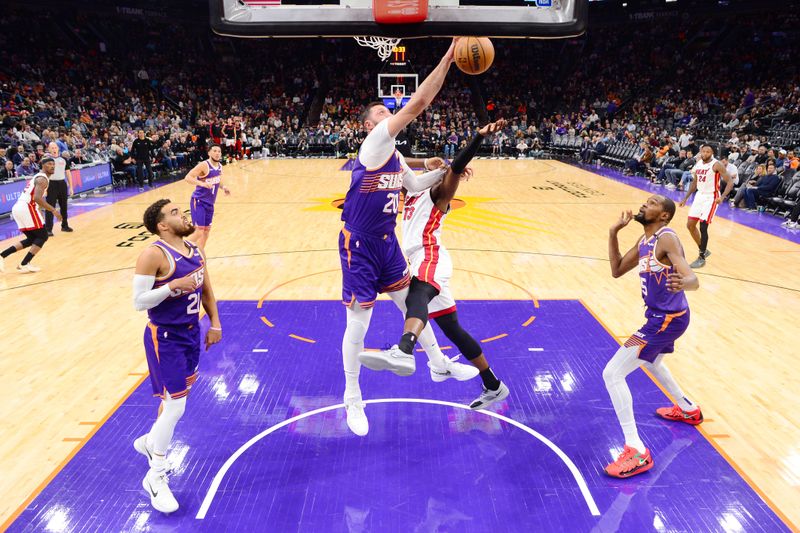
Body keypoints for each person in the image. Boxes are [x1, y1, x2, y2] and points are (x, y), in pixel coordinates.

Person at [339, 38, 474, 437]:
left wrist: (448, 171)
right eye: (382, 112)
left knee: (411, 302)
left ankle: (437, 363)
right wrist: (448, 58)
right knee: (359, 322)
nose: (389, 113)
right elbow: (416, 105)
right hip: (359, 244)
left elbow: (415, 184)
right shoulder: (375, 141)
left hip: (386, 242)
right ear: (370, 125)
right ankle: (352, 396)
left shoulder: (395, 155)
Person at [360, 120, 510, 409]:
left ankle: (404, 350)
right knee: (453, 330)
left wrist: (476, 139)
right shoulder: (414, 190)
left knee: (417, 295)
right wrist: (429, 163)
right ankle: (493, 384)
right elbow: (396, 161)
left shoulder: (439, 194)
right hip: (418, 258)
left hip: (431, 255)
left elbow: (454, 169)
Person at [131, 198, 223, 513]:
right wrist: (172, 287)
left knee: (173, 403)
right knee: (176, 405)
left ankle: (149, 442)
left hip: (190, 334)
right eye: (174, 213)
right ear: (162, 225)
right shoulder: (152, 255)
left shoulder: (196, 251)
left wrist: (216, 322)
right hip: (165, 337)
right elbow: (139, 302)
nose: (181, 214)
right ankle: (155, 477)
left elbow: (206, 289)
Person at [603, 195, 701, 478]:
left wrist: (685, 281)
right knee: (653, 362)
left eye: (653, 203)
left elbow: (693, 279)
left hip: (665, 321)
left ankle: (636, 450)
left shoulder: (666, 238)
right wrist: (613, 232)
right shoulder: (644, 241)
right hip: (661, 318)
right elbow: (617, 270)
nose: (645, 204)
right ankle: (687, 408)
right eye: (646, 201)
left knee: (612, 374)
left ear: (664, 216)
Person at [0, 158, 59, 273]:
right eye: (49, 164)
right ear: (42, 165)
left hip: (19, 207)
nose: (52, 166)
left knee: (32, 238)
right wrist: (53, 210)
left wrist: (40, 212)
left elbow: (37, 198)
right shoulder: (42, 179)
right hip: (27, 207)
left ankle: (2, 255)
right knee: (43, 236)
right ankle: (24, 264)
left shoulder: (40, 176)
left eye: (53, 164)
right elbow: (37, 198)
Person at [679, 145, 732, 268]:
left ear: (712, 153)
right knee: (690, 225)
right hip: (699, 196)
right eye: (703, 151)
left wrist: (722, 197)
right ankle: (704, 249)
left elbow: (730, 182)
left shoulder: (717, 164)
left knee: (703, 225)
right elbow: (694, 183)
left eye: (708, 151)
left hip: (711, 197)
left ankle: (701, 257)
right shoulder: (698, 164)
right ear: (700, 152)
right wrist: (685, 198)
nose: (705, 153)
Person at [184, 144, 230, 249]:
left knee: (206, 232)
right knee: (199, 231)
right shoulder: (204, 165)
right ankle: (179, 251)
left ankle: (200, 254)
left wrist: (224, 187)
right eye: (214, 151)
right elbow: (187, 177)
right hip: (199, 201)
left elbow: (217, 179)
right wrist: (202, 184)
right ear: (209, 153)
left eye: (219, 151)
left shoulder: (219, 166)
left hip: (210, 203)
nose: (217, 153)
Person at [44, 143, 73, 235]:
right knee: (50, 207)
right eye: (52, 148)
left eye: (55, 147)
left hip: (62, 184)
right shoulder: (46, 160)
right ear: (49, 149)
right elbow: (44, 175)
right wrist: (45, 188)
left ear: (58, 149)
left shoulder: (64, 159)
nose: (54, 149)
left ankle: (65, 226)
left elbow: (68, 173)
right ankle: (48, 229)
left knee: (64, 206)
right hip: (51, 184)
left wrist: (71, 187)